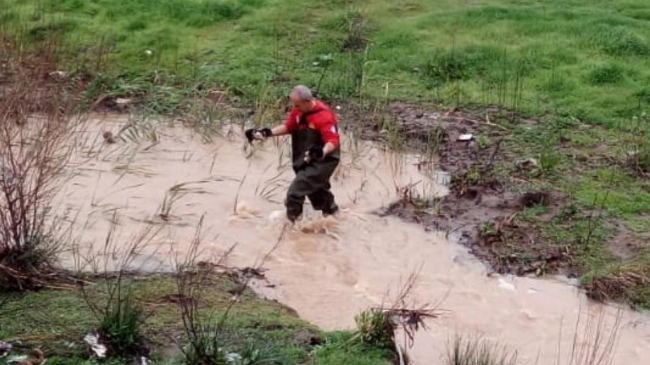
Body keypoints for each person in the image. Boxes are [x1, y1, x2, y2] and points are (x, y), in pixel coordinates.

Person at [245, 85, 340, 223]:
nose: (295, 108)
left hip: (323, 161)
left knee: (295, 193)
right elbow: (289, 126)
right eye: (294, 105)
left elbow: (333, 140)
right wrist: (266, 133)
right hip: (307, 158)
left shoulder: (324, 116)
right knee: (317, 191)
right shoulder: (298, 111)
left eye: (298, 105)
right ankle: (333, 217)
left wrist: (322, 151)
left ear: (307, 101)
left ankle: (292, 225)